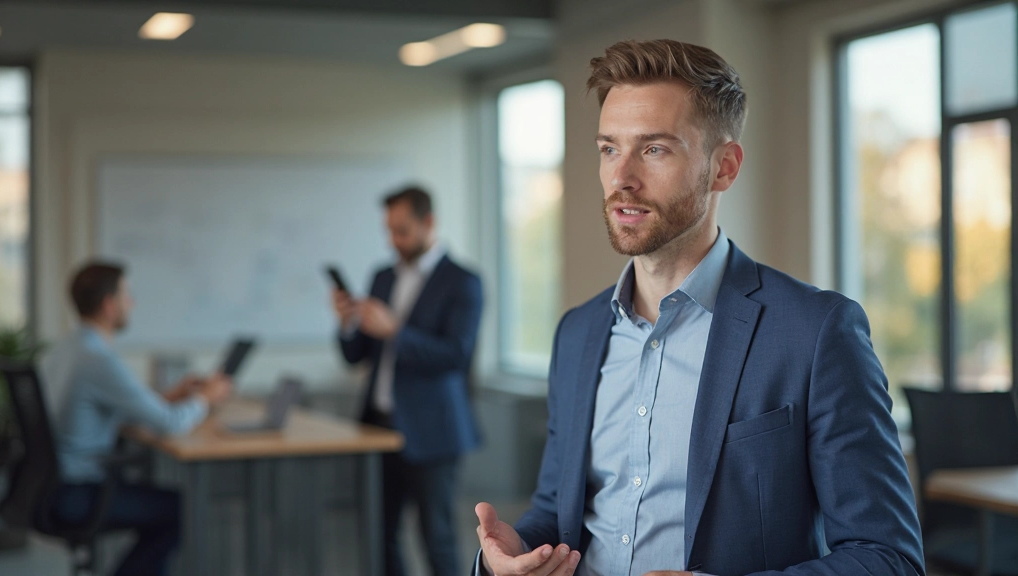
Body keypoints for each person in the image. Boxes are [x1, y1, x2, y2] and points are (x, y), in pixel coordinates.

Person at [474, 40, 924, 576]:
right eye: (609, 149)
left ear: (724, 168)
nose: (622, 179)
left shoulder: (816, 331)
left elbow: (888, 557)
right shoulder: (577, 333)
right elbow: (560, 512)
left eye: (655, 149)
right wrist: (511, 553)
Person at [334, 186, 483, 576]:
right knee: (378, 533)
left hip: (433, 428)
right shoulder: (382, 276)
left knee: (437, 536)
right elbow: (356, 356)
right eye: (389, 230)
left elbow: (456, 356)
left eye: (401, 230)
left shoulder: (463, 281)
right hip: (378, 425)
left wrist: (395, 331)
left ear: (428, 222)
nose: (393, 240)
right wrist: (348, 322)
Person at [47, 261, 231, 576]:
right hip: (79, 491)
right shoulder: (99, 359)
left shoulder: (68, 348)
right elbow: (170, 424)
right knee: (184, 509)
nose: (132, 303)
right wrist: (205, 398)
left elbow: (121, 405)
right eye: (127, 295)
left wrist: (170, 396)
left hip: (52, 487)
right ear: (109, 305)